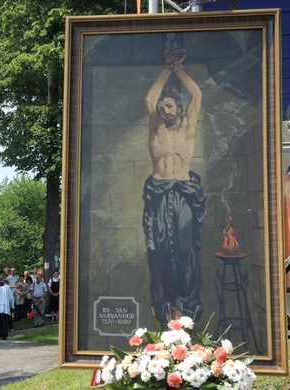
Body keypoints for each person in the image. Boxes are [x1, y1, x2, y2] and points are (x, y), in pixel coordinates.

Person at [143, 43, 206, 325]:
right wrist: (166, 68)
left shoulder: (188, 130)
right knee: (158, 253)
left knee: (185, 253)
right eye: (162, 107)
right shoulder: (156, 132)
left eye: (169, 105)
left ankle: (184, 305)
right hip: (158, 195)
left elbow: (197, 94)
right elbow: (149, 99)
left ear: (178, 107)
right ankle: (165, 305)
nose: (164, 109)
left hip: (184, 195)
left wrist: (178, 70)